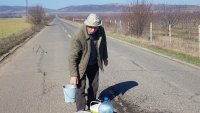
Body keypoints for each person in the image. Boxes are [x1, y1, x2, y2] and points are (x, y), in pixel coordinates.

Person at [68, 13, 108, 112]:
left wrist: (105, 57)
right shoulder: (78, 35)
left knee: (94, 86)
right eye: (90, 27)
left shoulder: (101, 30)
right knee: (80, 87)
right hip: (81, 65)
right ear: (86, 25)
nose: (93, 30)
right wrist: (73, 75)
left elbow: (104, 44)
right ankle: (81, 109)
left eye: (95, 27)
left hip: (94, 63)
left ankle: (91, 104)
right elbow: (72, 56)